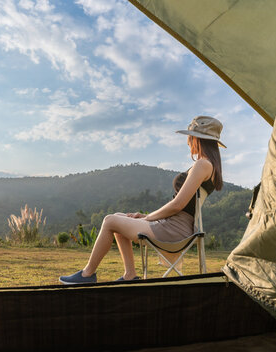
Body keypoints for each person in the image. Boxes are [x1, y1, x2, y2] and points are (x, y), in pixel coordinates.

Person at [59, 116, 225, 284]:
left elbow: (177, 205)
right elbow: (179, 206)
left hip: (174, 229)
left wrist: (148, 218)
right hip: (173, 225)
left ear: (198, 139)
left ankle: (87, 274)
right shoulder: (208, 165)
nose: (188, 142)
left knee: (109, 221)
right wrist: (145, 215)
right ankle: (129, 275)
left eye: (189, 137)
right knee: (118, 216)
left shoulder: (203, 164)